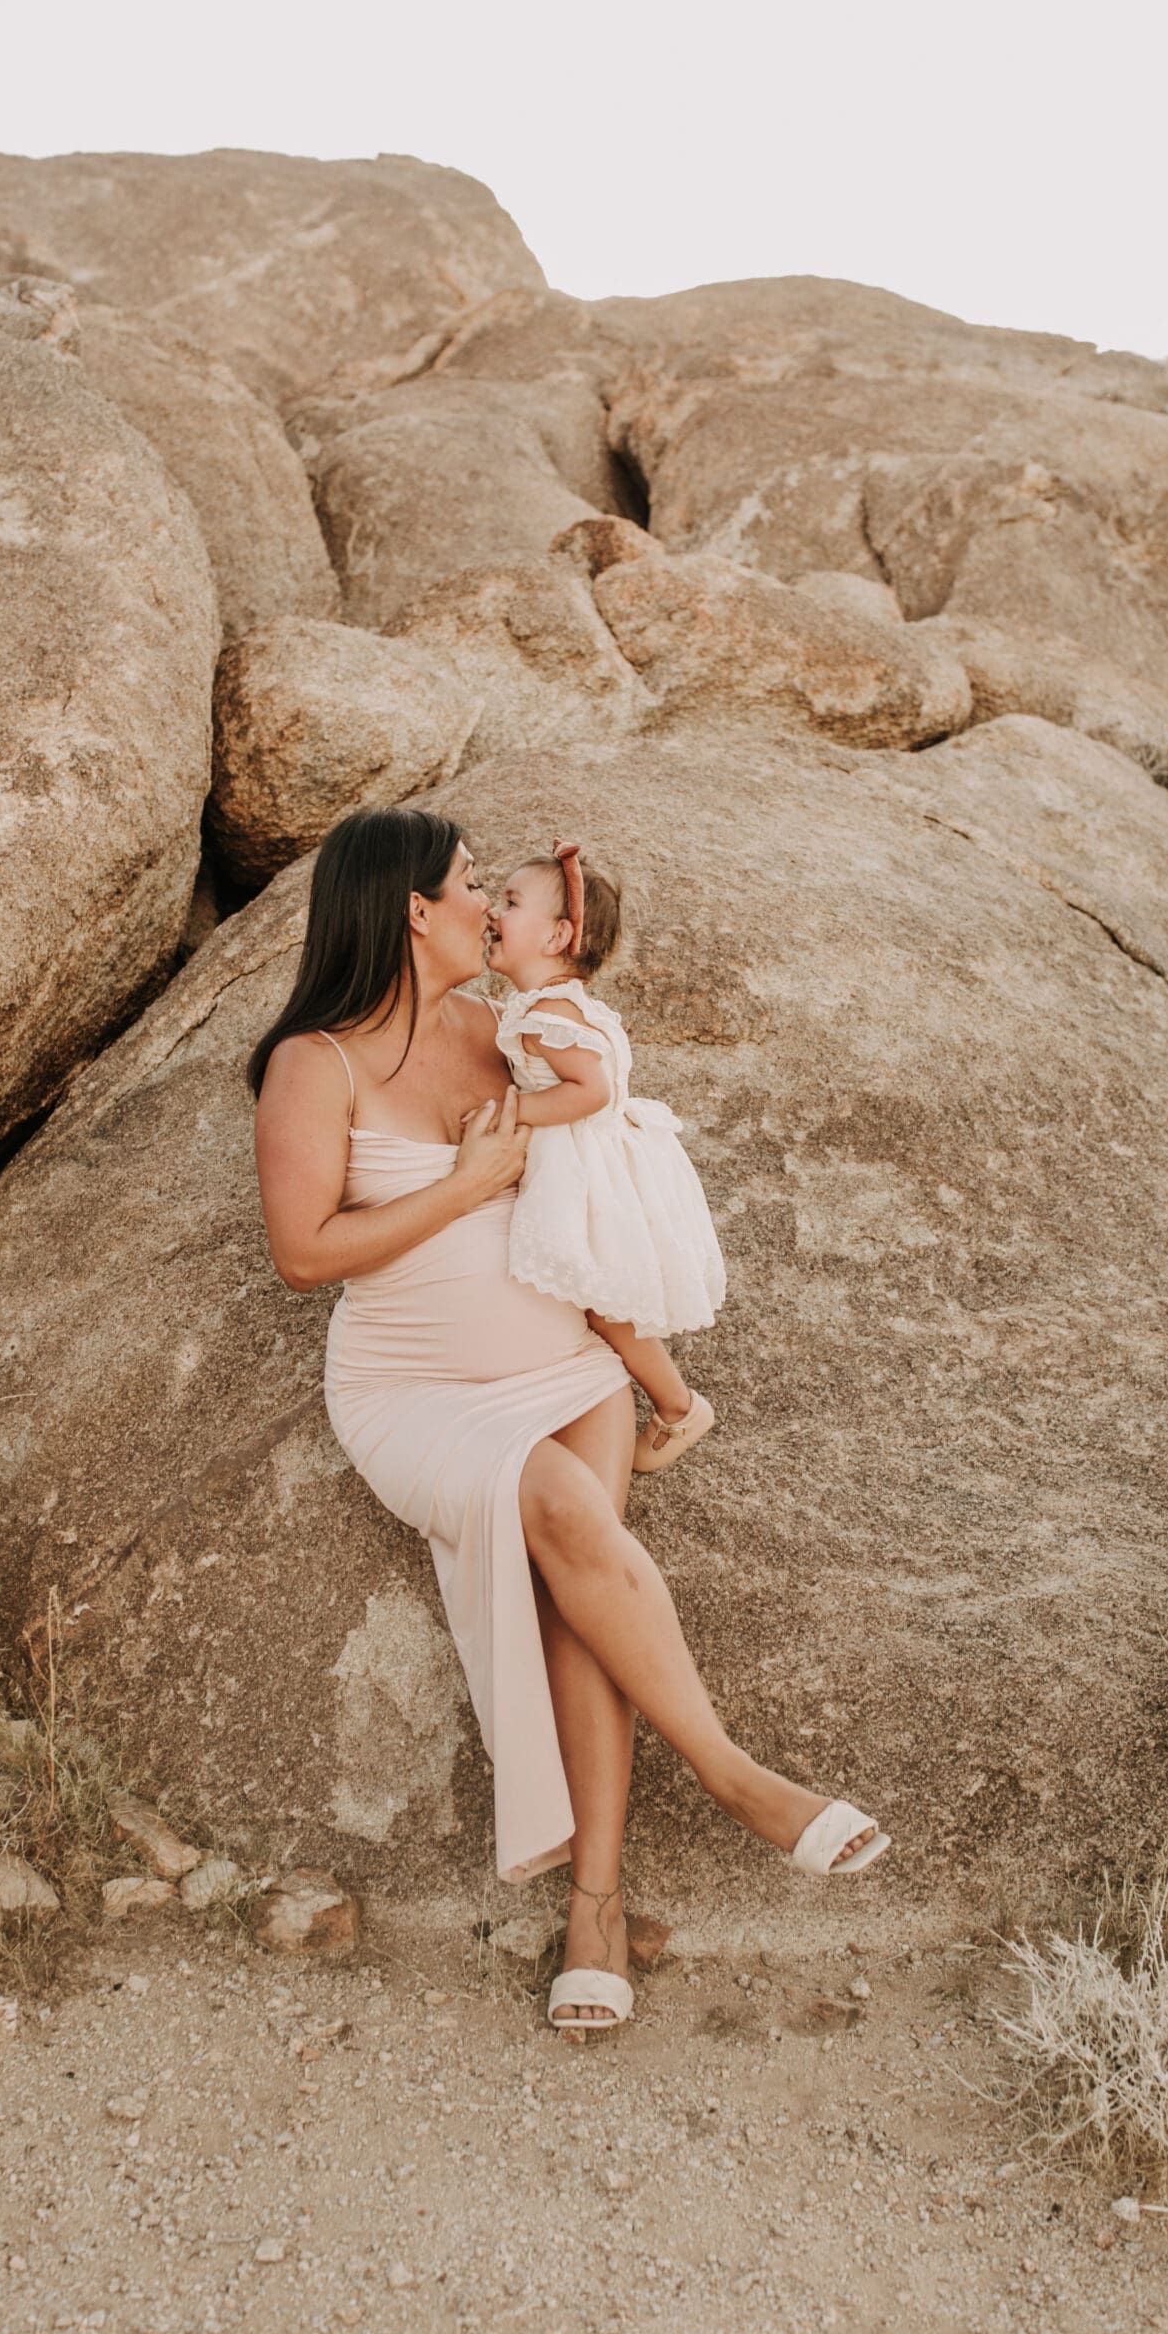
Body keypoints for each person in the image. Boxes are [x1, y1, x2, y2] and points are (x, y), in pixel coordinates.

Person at [249, 807, 889, 2038]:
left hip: (568, 1364)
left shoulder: (508, 1034)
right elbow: (302, 1252)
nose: (489, 901)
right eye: (467, 885)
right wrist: (468, 1185)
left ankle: (594, 1912)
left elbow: (602, 1146)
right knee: (553, 1507)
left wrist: (647, 1350)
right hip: (414, 1394)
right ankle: (738, 1779)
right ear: (410, 911)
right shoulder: (313, 1064)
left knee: (574, 1593)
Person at [487, 838, 723, 1474]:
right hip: (601, 1159)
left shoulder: (544, 1016)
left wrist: (509, 1113)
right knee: (593, 1296)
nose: (491, 911)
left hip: (585, 1169)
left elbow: (588, 1092)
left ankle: (678, 1407)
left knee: (602, 1303)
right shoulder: (563, 1005)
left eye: (509, 902)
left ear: (558, 934)